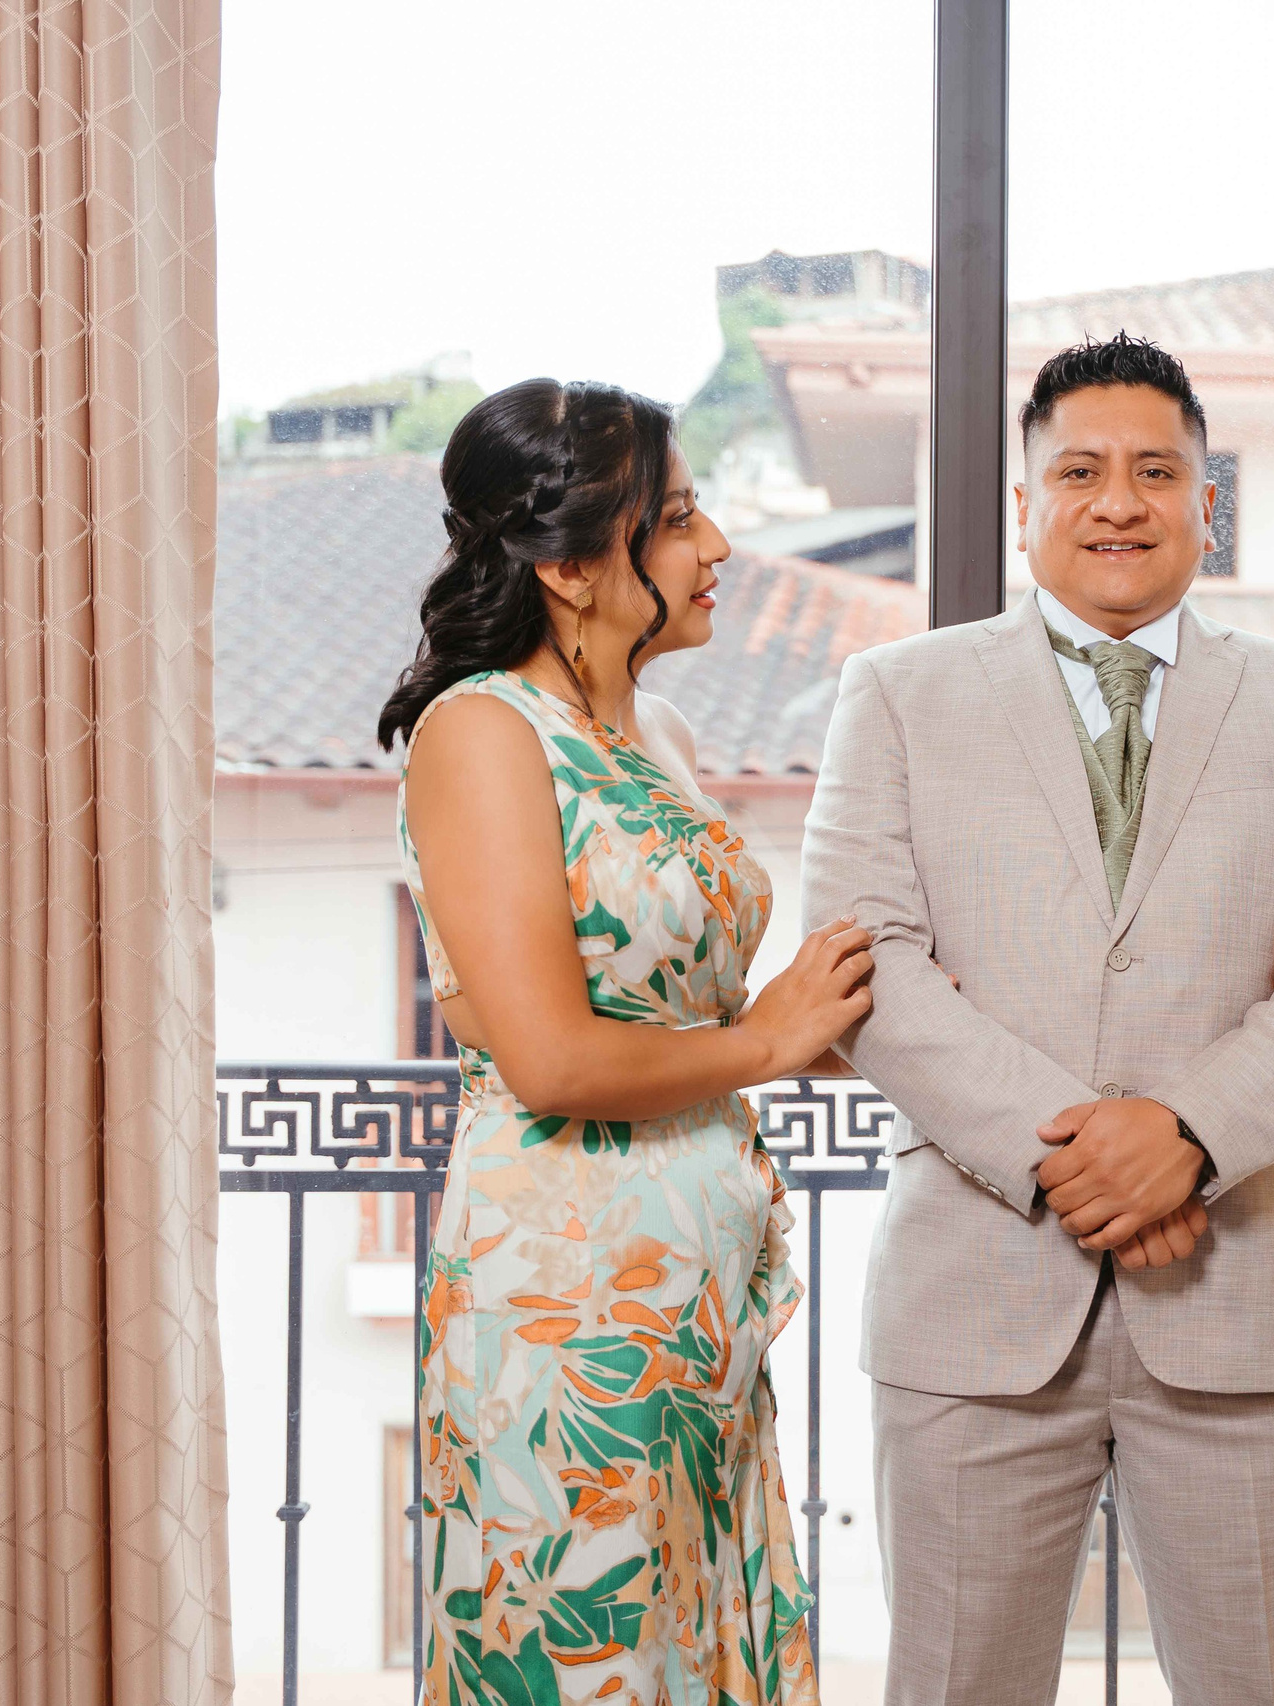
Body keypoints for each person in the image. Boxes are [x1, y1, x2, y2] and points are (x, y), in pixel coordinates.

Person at [801, 333, 1274, 1706]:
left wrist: (1187, 1137)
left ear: (1210, 500)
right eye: (1079, 470)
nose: (1118, 500)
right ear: (1025, 505)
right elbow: (864, 965)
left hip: (1241, 1293)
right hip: (975, 1296)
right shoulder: (897, 695)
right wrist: (1077, 1151)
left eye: (1156, 470)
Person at [380, 378, 871, 1706]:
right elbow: (551, 1058)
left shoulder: (661, 733)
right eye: (678, 520)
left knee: (689, 1650)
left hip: (694, 1303)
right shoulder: (482, 732)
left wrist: (816, 1020)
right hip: (565, 1304)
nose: (716, 549)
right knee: (580, 1651)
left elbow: (684, 1017)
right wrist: (767, 1045)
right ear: (572, 566)